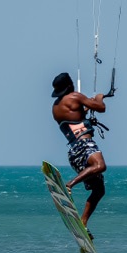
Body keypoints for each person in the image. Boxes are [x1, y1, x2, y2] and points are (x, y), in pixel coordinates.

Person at [51, 72, 107, 230]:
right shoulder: (75, 96)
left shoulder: (56, 107)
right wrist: (99, 97)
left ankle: (83, 222)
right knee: (100, 165)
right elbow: (101, 107)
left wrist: (85, 111)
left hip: (74, 153)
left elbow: (74, 118)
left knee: (99, 190)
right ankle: (69, 185)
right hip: (85, 145)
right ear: (70, 86)